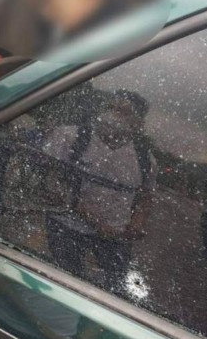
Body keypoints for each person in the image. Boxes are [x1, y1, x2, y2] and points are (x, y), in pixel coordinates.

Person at [43, 89, 157, 292]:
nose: (113, 114)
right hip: (66, 227)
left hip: (115, 237)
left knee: (114, 289)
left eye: (123, 111)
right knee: (66, 287)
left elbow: (145, 196)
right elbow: (49, 182)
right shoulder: (69, 137)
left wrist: (136, 223)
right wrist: (96, 222)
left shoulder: (145, 160)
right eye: (110, 107)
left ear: (138, 123)